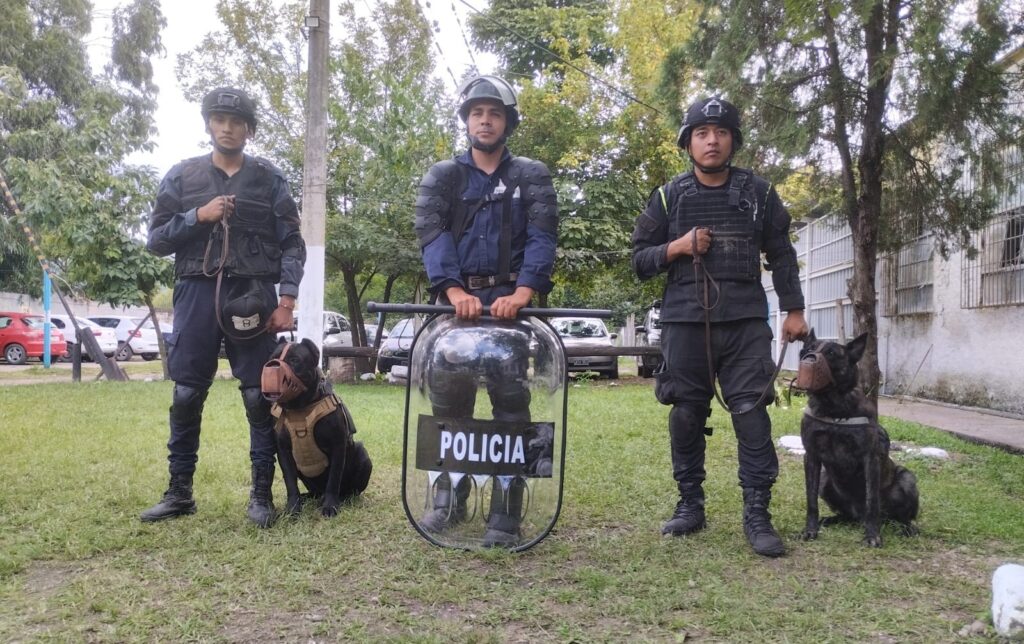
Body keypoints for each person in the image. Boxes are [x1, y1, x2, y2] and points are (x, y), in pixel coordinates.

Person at [632, 96, 808, 557]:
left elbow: (782, 254)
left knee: (751, 413)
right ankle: (690, 504)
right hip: (684, 321)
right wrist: (677, 247)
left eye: (721, 132)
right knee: (686, 413)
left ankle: (758, 513)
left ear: (733, 140)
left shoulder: (761, 194)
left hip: (746, 322)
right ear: (688, 142)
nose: (712, 141)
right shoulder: (668, 196)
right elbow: (639, 260)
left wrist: (794, 309)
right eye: (702, 133)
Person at [142, 87, 306, 528]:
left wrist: (287, 300)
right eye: (219, 119)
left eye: (236, 121)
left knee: (259, 395)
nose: (227, 128)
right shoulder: (182, 175)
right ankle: (179, 493)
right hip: (196, 293)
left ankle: (261, 495)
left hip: (253, 294)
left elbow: (293, 243)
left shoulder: (270, 179)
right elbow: (156, 240)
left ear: (249, 129)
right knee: (186, 393)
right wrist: (198, 216)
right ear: (208, 124)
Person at [413, 75, 558, 547]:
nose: (485, 120)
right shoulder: (443, 176)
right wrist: (454, 291)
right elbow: (431, 233)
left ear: (507, 122)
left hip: (510, 309)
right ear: (466, 121)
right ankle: (448, 501)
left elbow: (543, 235)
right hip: (456, 310)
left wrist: (525, 290)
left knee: (512, 408)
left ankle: (506, 511)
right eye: (477, 113)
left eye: (494, 113)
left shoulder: (531, 175)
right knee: (448, 408)